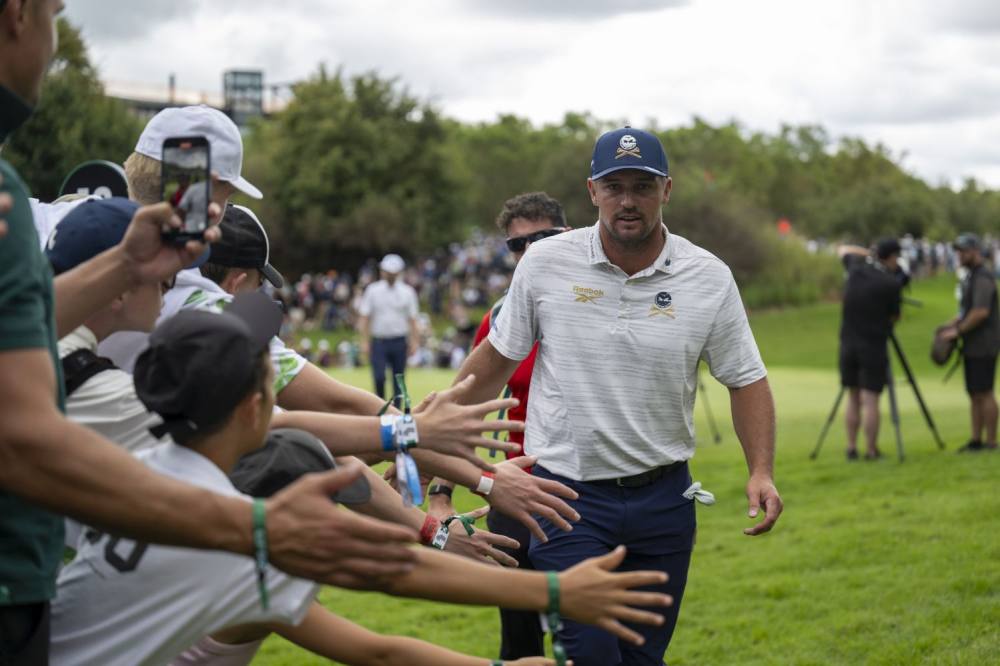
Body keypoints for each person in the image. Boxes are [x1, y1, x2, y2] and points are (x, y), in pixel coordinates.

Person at [0, 6, 418, 662]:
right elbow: (286, 422)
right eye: (218, 191)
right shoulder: (180, 287)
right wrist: (407, 441)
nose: (218, 210)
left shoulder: (42, 212)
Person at [50, 293, 670, 666]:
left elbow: (330, 455)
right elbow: (382, 602)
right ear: (251, 409)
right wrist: (553, 597)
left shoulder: (134, 469)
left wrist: (413, 444)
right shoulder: (240, 543)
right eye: (272, 378)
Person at [450, 127, 783, 666]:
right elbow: (495, 360)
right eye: (615, 186)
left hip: (665, 500)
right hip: (566, 499)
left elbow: (745, 378)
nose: (628, 200)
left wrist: (761, 470)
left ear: (666, 190)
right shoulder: (545, 262)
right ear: (593, 191)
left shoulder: (709, 276)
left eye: (643, 186)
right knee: (591, 655)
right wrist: (428, 432)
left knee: (641, 658)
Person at [429, 191, 570, 660]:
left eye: (542, 238)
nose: (529, 251)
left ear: (567, 235)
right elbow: (467, 404)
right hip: (514, 488)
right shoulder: (499, 316)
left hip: (583, 490)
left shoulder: (594, 303)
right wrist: (441, 492)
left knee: (589, 633)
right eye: (517, 244)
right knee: (519, 638)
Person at [836, 239, 904, 460]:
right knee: (870, 400)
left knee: (852, 397)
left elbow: (843, 249)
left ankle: (850, 447)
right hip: (873, 346)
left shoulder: (856, 269)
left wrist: (870, 255)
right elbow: (894, 318)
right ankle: (871, 450)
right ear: (892, 257)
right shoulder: (891, 284)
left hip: (847, 345)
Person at [938, 233, 1000, 451]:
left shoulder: (983, 276)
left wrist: (958, 331)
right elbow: (966, 311)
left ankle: (991, 441)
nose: (960, 255)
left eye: (964, 250)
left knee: (985, 392)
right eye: (958, 251)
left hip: (984, 344)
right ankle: (976, 440)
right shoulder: (970, 276)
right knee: (974, 392)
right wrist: (950, 323)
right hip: (973, 345)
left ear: (976, 251)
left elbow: (981, 311)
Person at [359, 254, 421, 399]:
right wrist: (364, 341)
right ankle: (381, 407)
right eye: (388, 272)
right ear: (382, 271)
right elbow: (366, 317)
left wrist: (415, 341)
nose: (391, 275)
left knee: (399, 380)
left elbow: (412, 319)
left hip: (399, 341)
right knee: (379, 377)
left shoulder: (407, 292)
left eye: (394, 272)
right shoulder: (373, 290)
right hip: (379, 341)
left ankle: (397, 413)